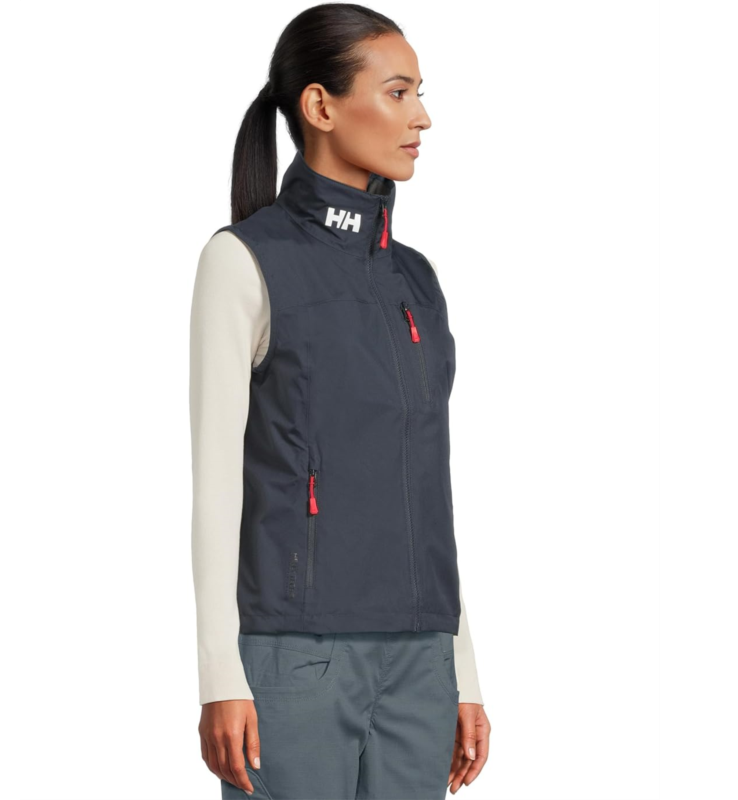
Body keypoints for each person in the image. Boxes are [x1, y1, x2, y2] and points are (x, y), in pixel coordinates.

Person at [189, 4, 492, 797]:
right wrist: (220, 674)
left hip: (420, 662)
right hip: (296, 657)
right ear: (321, 106)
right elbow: (216, 485)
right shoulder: (244, 259)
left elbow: (427, 488)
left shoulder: (416, 279)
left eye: (419, 93)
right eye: (397, 92)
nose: (422, 117)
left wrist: (462, 669)